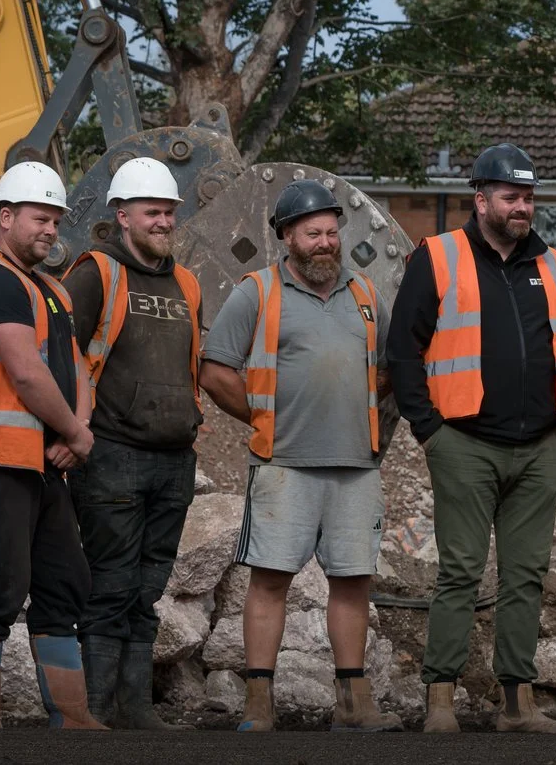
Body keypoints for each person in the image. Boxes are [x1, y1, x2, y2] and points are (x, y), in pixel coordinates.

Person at [386, 143, 556, 734]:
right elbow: (402, 348)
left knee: (526, 574)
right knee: (461, 569)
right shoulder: (439, 257)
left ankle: (518, 707)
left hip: (541, 445)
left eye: (528, 197)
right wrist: (430, 432)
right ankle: (440, 702)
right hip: (464, 443)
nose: (522, 207)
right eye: (510, 196)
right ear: (481, 199)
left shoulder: (551, 264)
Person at [200, 179, 404, 732]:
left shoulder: (364, 295)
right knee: (269, 580)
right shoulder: (257, 293)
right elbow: (216, 369)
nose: (326, 243)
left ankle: (353, 703)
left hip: (357, 466)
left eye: (332, 232)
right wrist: (263, 418)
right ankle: (258, 704)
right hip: (284, 464)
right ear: (287, 236)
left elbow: (391, 369)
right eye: (313, 233)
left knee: (353, 580)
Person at [0, 161, 105, 730]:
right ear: (5, 218)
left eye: (56, 220)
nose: (51, 230)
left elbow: (77, 371)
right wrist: (77, 434)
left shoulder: (51, 290)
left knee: (64, 584)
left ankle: (72, 718)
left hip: (37, 463)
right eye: (40, 218)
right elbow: (27, 374)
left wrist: (73, 435)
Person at [61, 156, 202, 729]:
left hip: (174, 458)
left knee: (147, 589)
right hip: (112, 453)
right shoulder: (94, 272)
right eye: (152, 212)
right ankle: (94, 708)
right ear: (122, 216)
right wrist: (71, 432)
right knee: (111, 584)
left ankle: (136, 708)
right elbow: (59, 356)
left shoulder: (187, 283)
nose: (164, 221)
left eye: (169, 211)